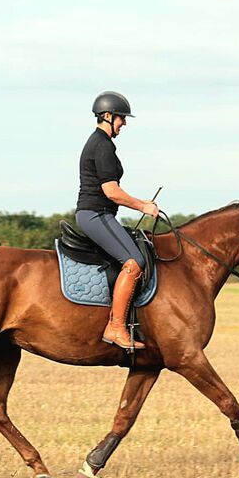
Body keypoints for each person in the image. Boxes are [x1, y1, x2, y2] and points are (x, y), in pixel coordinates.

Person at [76, 91, 159, 350]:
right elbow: (111, 192)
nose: (124, 123)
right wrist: (143, 205)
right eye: (122, 118)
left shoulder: (102, 143)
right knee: (134, 264)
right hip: (95, 214)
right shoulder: (101, 145)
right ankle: (116, 327)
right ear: (108, 116)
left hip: (100, 214)